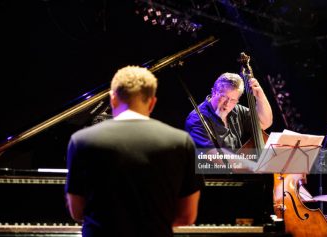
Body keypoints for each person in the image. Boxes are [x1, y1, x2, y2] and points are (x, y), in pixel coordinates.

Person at [65, 65, 204, 237]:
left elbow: (77, 212)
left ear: (112, 99)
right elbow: (187, 216)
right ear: (152, 103)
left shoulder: (81, 141)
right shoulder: (181, 142)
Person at [185, 72, 273, 167]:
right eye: (223, 97)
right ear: (214, 92)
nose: (227, 104)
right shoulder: (197, 119)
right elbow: (214, 155)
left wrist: (260, 95)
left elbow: (264, 123)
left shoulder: (236, 109)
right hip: (211, 178)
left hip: (235, 173)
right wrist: (253, 166)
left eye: (233, 100)